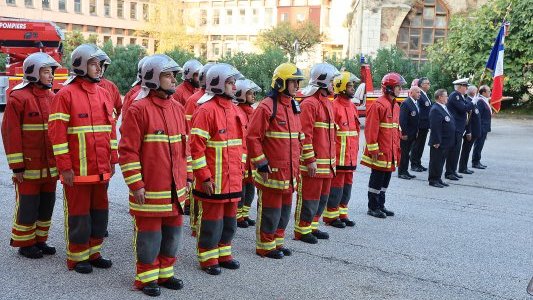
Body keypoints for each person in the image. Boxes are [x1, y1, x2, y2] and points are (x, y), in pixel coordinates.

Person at [119, 54, 190, 297]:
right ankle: (146, 278)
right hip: (150, 189)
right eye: (168, 75)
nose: (173, 80)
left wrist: (188, 178)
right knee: (149, 236)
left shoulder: (178, 109)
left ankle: (166, 273)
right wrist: (135, 184)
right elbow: (127, 151)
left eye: (174, 75)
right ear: (152, 78)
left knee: (172, 235)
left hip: (175, 190)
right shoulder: (138, 109)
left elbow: (185, 148)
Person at [48, 44, 116, 273]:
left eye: (100, 65)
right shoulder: (65, 95)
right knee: (79, 215)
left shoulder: (104, 93)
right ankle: (77, 257)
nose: (99, 69)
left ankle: (94, 252)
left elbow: (111, 131)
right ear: (80, 65)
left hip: (101, 170)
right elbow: (57, 136)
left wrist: (112, 160)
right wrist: (65, 168)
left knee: (99, 214)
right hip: (77, 172)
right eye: (94, 64)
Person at [1, 53, 60, 259]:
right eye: (46, 72)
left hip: (50, 166)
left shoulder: (53, 97)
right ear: (33, 73)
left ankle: (40, 240)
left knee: (47, 204)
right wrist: (17, 167)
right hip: (28, 167)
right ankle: (25, 243)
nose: (51, 76)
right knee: (28, 205)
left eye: (51, 72)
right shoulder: (19, 97)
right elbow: (10, 133)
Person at [189, 63, 245, 275]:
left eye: (234, 82)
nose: (234, 86)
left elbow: (243, 144)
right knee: (211, 221)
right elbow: (196, 148)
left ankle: (224, 253)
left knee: (230, 221)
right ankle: (208, 257)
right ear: (219, 84)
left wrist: (241, 168)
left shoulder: (236, 110)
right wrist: (204, 177)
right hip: (214, 181)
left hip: (233, 179)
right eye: (230, 82)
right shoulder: (205, 110)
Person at [246, 63, 305, 258]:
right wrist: (260, 162)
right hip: (271, 172)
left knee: (284, 211)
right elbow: (253, 137)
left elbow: (298, 137)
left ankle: (278, 242)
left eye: (298, 82)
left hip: (289, 173)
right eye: (293, 82)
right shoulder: (266, 106)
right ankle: (265, 245)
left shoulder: (293, 106)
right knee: (270, 211)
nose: (297, 86)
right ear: (281, 83)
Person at [294, 63, 339, 244]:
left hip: (326, 163)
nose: (333, 85)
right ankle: (302, 230)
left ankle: (312, 225)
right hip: (314, 163)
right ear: (323, 81)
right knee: (309, 197)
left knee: (322, 197)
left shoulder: (326, 103)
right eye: (332, 82)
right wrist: (310, 159)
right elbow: (305, 135)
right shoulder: (310, 104)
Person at [361, 73, 403, 219]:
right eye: (398, 87)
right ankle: (372, 207)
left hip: (390, 150)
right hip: (380, 151)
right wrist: (373, 148)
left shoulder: (396, 106)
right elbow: (371, 128)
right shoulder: (378, 105)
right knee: (377, 179)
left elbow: (395, 129)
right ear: (389, 88)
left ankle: (380, 205)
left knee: (386, 179)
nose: (400, 89)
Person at [322, 71, 361, 228]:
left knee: (347, 188)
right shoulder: (333, 107)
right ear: (341, 87)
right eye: (350, 85)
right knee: (336, 188)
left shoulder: (352, 107)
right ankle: (331, 217)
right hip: (338, 157)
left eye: (353, 85)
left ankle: (342, 214)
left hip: (350, 157)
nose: (353, 88)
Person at [183, 62, 216, 235]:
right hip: (196, 151)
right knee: (198, 188)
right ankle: (196, 223)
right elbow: (189, 131)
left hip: (211, 155)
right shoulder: (194, 100)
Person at [234, 79, 261, 229]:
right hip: (243, 158)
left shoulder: (252, 111)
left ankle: (244, 214)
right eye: (250, 93)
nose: (253, 96)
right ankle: (237, 216)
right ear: (241, 94)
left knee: (250, 188)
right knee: (242, 188)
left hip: (252, 158)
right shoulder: (238, 111)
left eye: (253, 93)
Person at [445, 78, 474, 181]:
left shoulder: (461, 96)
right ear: (460, 86)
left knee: (456, 151)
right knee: (453, 151)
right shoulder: (455, 96)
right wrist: (472, 102)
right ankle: (449, 172)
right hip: (455, 127)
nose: (466, 88)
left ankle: (453, 171)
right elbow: (463, 109)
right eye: (465, 86)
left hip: (459, 127)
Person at [428, 89, 456, 188]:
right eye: (446, 96)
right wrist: (436, 141)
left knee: (441, 161)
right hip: (439, 141)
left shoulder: (443, 107)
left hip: (446, 140)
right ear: (440, 97)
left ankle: (438, 178)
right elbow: (435, 127)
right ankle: (433, 180)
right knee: (436, 161)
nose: (447, 97)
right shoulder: (435, 109)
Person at [398, 86, 421, 179]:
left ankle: (405, 171)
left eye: (420, 92)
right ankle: (401, 172)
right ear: (411, 93)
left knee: (407, 154)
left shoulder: (415, 103)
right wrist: (404, 133)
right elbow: (402, 120)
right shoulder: (406, 103)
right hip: (406, 134)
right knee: (404, 154)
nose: (419, 94)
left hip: (412, 133)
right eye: (418, 92)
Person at [410, 77, 432, 172]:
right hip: (420, 125)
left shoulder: (425, 94)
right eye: (427, 83)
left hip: (425, 125)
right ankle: (414, 164)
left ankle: (418, 163)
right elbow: (418, 110)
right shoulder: (420, 95)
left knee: (421, 145)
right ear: (422, 85)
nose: (429, 85)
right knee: (417, 145)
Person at [458, 85, 480, 174]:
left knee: (468, 150)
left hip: (474, 130)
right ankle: (462, 168)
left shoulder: (473, 101)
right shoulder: (468, 102)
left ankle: (464, 167)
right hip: (470, 131)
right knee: (466, 150)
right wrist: (469, 131)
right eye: (476, 92)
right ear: (473, 92)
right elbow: (468, 119)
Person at [472, 85, 492, 169]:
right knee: (478, 145)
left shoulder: (485, 100)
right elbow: (478, 116)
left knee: (480, 145)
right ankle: (475, 162)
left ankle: (478, 161)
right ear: (483, 92)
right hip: (481, 127)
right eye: (488, 91)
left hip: (484, 127)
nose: (490, 92)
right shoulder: (480, 101)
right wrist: (479, 129)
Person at [98, 54, 122, 120]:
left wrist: (113, 124)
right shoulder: (77, 89)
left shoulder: (111, 86)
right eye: (100, 65)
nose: (100, 69)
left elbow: (118, 109)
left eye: (103, 66)